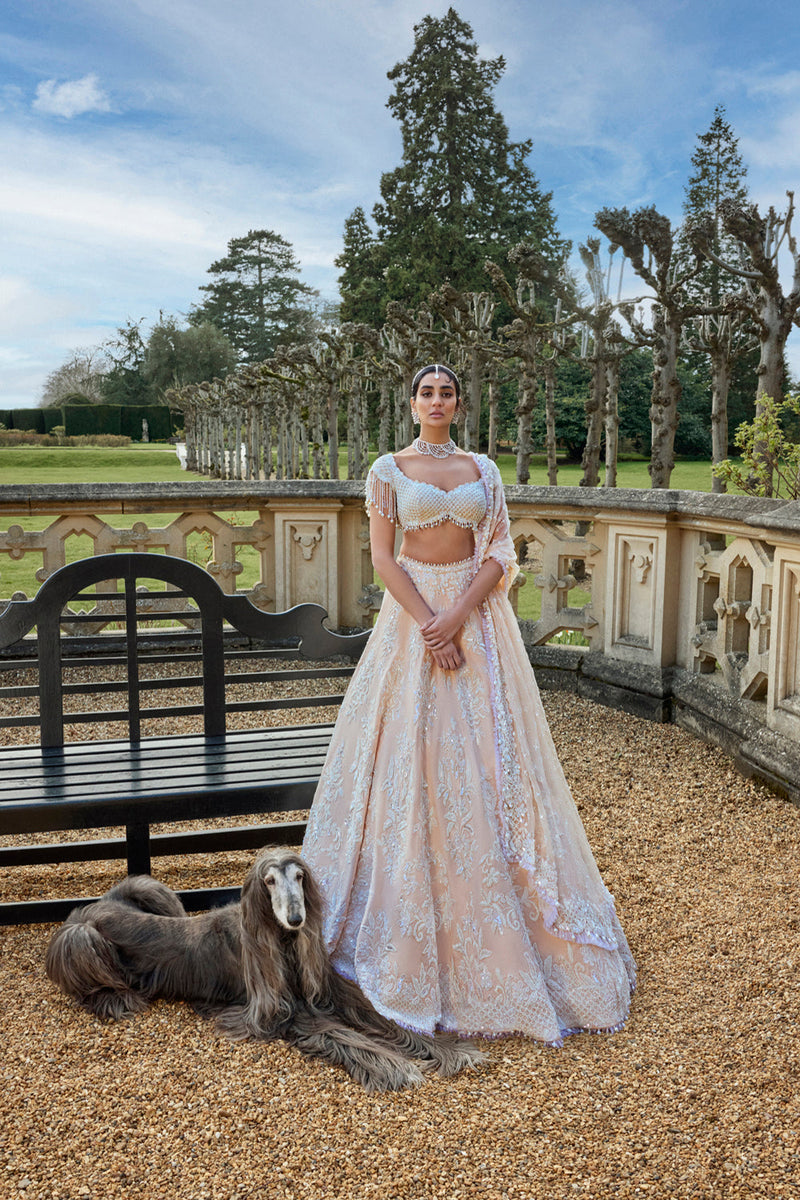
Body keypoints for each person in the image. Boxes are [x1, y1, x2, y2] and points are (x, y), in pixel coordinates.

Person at [301, 364, 635, 1043]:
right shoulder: (387, 469)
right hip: (411, 624)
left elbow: (501, 550)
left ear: (458, 402)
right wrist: (430, 626)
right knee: (409, 764)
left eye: (446, 392)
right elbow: (385, 559)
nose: (436, 401)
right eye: (426, 392)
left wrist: (457, 619)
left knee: (493, 763)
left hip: (478, 626)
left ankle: (519, 918)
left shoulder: (483, 467)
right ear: (412, 402)